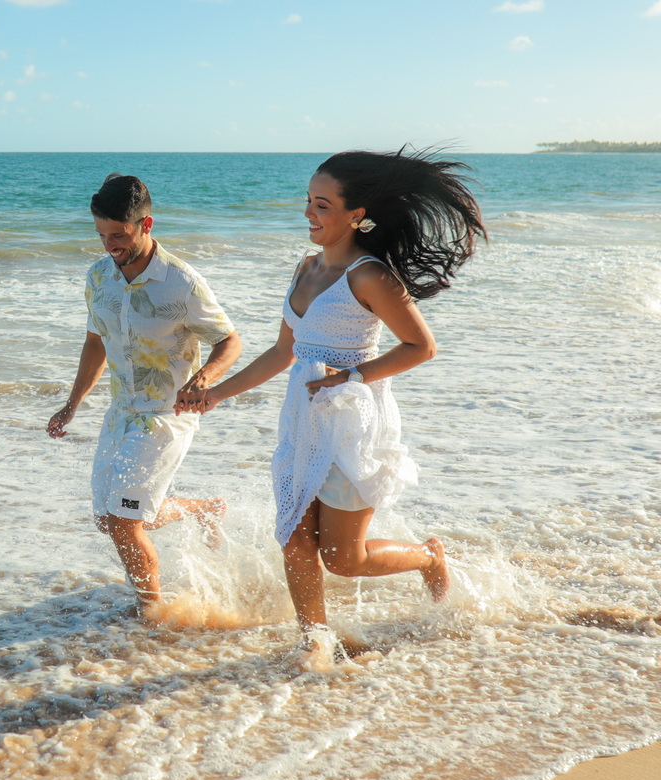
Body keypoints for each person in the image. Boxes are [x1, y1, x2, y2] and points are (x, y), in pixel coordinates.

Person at [179, 147, 486, 641]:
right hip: (303, 418)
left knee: (345, 558)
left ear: (356, 215)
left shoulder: (370, 276)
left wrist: (353, 376)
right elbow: (284, 352)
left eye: (322, 204)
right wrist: (217, 393)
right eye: (308, 201)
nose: (308, 213)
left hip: (351, 422)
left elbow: (421, 347)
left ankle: (429, 557)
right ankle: (315, 644)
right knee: (295, 542)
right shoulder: (304, 268)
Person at [48, 173, 241, 612]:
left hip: (165, 415)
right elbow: (96, 341)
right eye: (101, 235)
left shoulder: (182, 282)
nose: (109, 245)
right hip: (121, 413)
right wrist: (71, 404)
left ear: (146, 224)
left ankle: (150, 617)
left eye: (119, 234)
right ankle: (200, 508)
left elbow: (229, 341)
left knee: (124, 521)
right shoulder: (98, 277)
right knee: (107, 519)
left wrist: (204, 377)